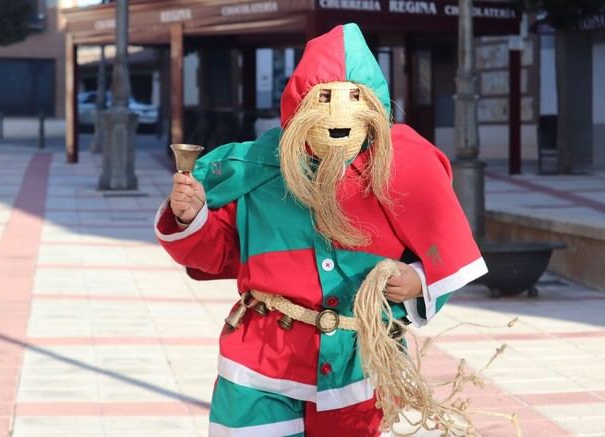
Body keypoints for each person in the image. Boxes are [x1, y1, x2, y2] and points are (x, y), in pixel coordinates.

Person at [154, 23, 486, 437]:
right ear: (301, 103)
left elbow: (445, 249)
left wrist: (417, 280)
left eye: (354, 96)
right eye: (325, 96)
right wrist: (191, 218)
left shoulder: (400, 174)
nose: (338, 112)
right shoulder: (258, 170)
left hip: (357, 364)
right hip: (262, 359)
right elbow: (218, 252)